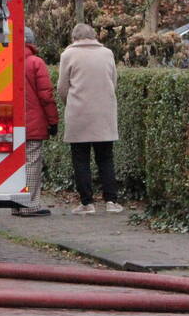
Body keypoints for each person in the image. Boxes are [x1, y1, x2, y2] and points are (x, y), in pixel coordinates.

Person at [57, 23, 122, 214]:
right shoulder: (107, 54)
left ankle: (87, 203)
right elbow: (114, 80)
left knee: (81, 159)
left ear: (74, 37)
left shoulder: (68, 55)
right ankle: (111, 201)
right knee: (106, 157)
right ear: (94, 36)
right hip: (104, 112)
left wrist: (70, 103)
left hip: (79, 113)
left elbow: (62, 87)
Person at [19, 27, 58, 217]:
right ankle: (29, 204)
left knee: (14, 164)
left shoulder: (3, 60)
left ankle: (15, 203)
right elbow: (46, 96)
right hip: (33, 123)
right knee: (32, 162)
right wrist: (53, 121)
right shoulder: (35, 62)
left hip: (8, 124)